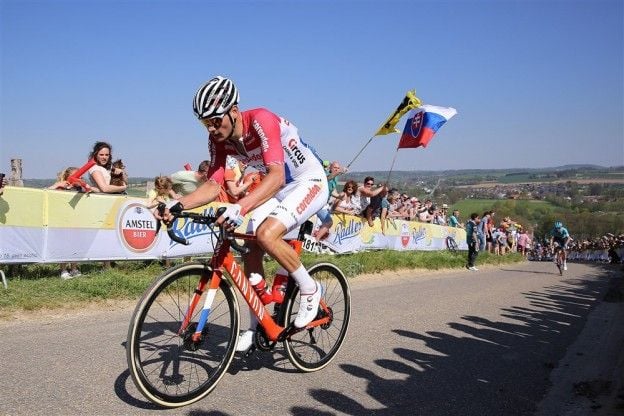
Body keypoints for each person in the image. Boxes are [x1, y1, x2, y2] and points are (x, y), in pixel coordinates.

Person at [160, 76, 328, 352]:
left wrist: (240, 206)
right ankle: (255, 324)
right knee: (250, 248)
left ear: (234, 111)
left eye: (216, 120)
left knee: (265, 233)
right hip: (279, 188)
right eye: (205, 123)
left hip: (307, 181)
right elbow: (214, 185)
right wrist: (177, 205)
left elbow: (274, 176)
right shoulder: (219, 140)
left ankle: (310, 289)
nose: (212, 128)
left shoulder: (261, 120)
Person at [48, 167, 83, 279]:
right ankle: (63, 269)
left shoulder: (80, 189)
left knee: (75, 244)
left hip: (77, 220)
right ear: (69, 177)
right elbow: (47, 192)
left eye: (81, 177)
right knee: (63, 245)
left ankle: (74, 268)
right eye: (77, 176)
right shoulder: (61, 187)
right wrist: (57, 186)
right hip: (62, 221)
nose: (79, 179)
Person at [314, 161, 347, 241]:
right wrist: (339, 172)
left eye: (338, 168)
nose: (337, 169)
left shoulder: (336, 178)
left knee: (328, 222)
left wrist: (339, 196)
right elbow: (327, 179)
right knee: (327, 222)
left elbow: (331, 191)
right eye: (335, 168)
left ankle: (315, 240)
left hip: (322, 203)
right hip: (315, 201)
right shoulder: (324, 173)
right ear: (330, 168)